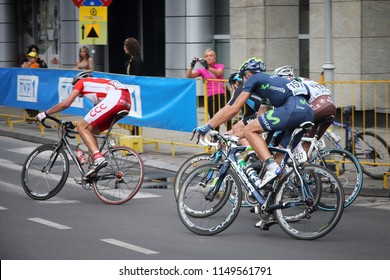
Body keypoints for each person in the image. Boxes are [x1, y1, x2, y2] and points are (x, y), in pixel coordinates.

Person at [193, 57, 314, 194]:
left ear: (248, 74)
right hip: (307, 112)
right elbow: (260, 118)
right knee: (278, 159)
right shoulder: (267, 86)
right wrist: (235, 136)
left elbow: (233, 109)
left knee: (251, 132)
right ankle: (273, 204)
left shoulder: (253, 79)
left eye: (243, 78)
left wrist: (207, 127)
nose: (243, 83)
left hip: (293, 109)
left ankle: (270, 166)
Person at [36, 71, 132, 179]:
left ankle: (98, 158)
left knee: (83, 128)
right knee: (91, 131)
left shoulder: (82, 82)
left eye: (74, 86)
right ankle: (93, 170)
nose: (74, 89)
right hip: (126, 102)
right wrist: (74, 123)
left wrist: (45, 114)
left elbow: (66, 104)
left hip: (116, 98)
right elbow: (91, 120)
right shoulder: (98, 89)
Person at [272, 65, 336, 153]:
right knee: (307, 144)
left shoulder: (290, 83)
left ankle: (287, 151)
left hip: (319, 103)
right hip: (330, 106)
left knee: (290, 127)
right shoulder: (302, 80)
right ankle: (305, 166)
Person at [187, 48, 229, 131]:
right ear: (204, 59)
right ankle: (215, 140)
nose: (208, 57)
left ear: (215, 58)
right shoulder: (202, 70)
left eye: (211, 55)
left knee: (227, 117)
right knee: (213, 119)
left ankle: (231, 137)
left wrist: (207, 67)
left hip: (222, 94)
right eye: (206, 56)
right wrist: (192, 65)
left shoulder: (220, 66)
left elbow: (219, 73)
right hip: (211, 96)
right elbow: (189, 75)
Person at [123, 37, 144, 135]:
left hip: (135, 90)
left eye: (125, 46)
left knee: (135, 113)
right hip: (131, 90)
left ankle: (136, 135)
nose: (124, 48)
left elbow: (136, 76)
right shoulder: (131, 59)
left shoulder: (137, 60)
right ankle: (133, 134)